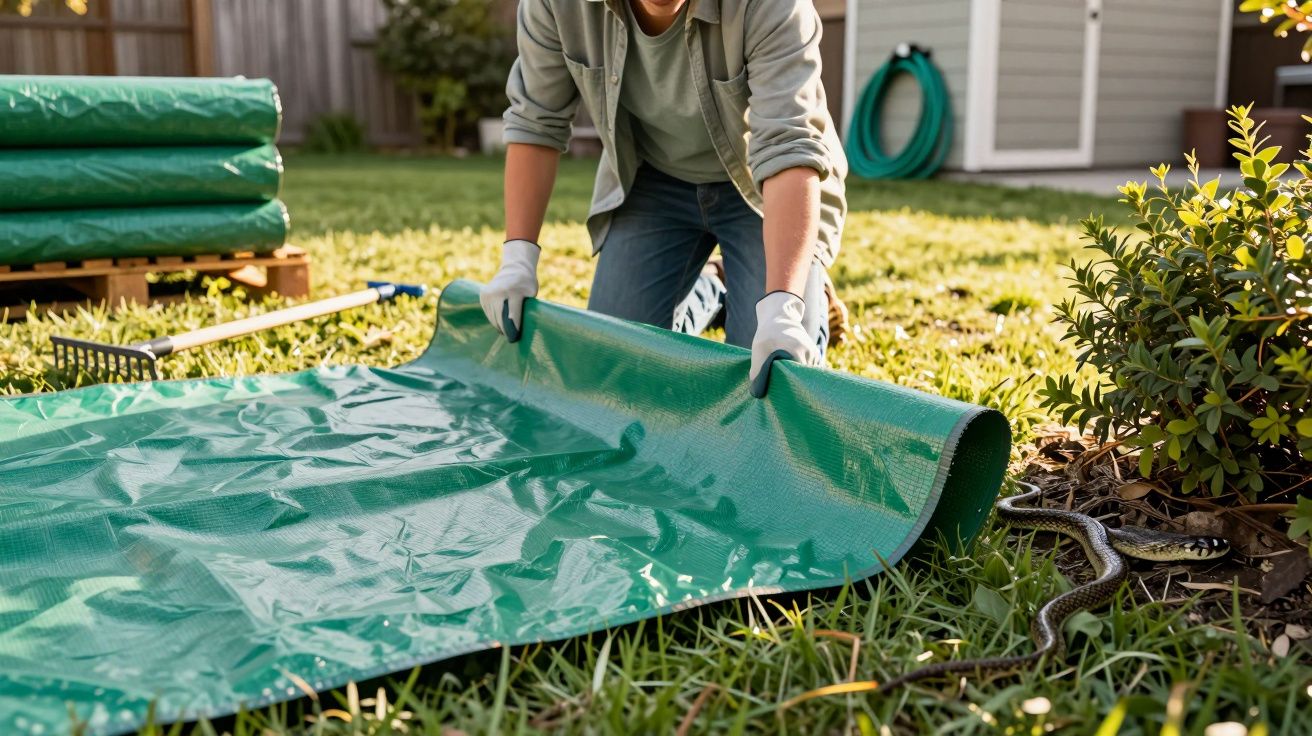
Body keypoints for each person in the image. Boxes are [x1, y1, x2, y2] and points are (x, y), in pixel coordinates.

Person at [480, 0, 847, 397]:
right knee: (615, 375)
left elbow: (788, 149)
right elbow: (535, 121)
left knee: (768, 383)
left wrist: (784, 306)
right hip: (654, 181)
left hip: (763, 189)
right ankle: (716, 285)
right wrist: (517, 260)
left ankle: (807, 296)